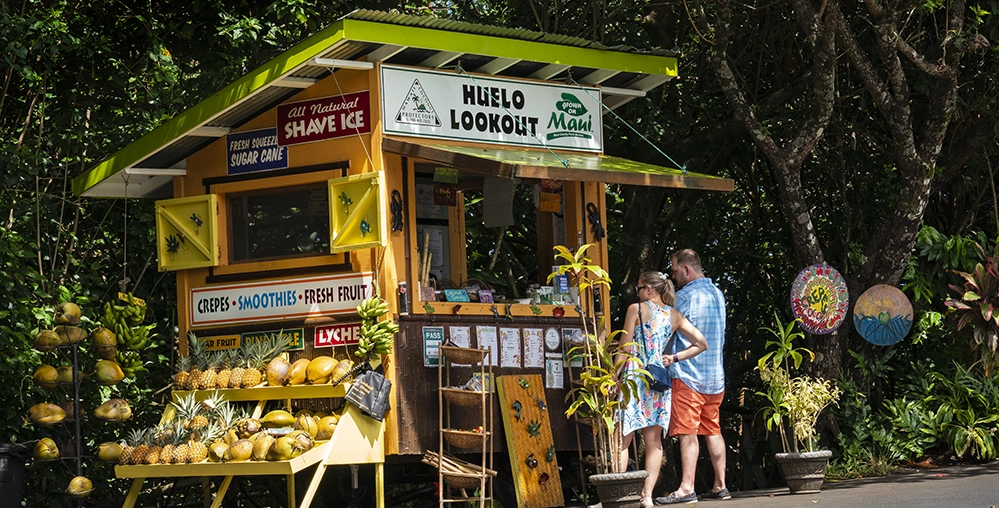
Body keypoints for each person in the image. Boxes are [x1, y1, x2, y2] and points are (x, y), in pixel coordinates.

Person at [618, 271, 709, 508]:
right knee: (654, 441)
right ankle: (646, 497)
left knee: (622, 439)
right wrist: (675, 358)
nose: (636, 293)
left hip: (634, 377)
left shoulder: (635, 310)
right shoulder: (674, 315)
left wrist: (611, 377)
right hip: (659, 380)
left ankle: (617, 498)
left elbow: (624, 349)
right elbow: (701, 343)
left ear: (649, 289)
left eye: (638, 288)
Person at [656, 249, 729, 505]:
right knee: (713, 430)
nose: (673, 277)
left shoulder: (684, 297)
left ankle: (686, 488)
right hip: (715, 378)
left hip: (689, 376)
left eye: (675, 271)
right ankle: (721, 484)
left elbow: (665, 332)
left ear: (687, 269)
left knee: (688, 433)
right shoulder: (718, 294)